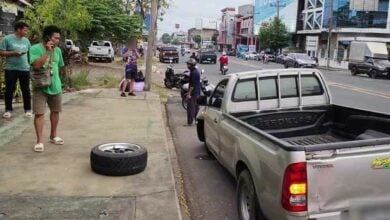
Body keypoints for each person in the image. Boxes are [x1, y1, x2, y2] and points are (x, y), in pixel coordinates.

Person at [29, 25, 65, 152]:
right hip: (40, 86)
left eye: (59, 38)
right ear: (48, 37)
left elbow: (60, 67)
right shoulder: (34, 49)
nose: (57, 41)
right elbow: (37, 65)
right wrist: (48, 51)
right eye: (56, 38)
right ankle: (39, 141)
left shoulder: (58, 51)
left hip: (55, 86)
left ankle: (53, 135)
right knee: (39, 113)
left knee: (55, 111)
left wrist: (59, 82)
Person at [0, 21, 32, 119]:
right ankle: (8, 110)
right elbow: (1, 52)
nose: (26, 32)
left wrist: (30, 64)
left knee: (26, 90)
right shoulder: (7, 39)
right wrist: (13, 53)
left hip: (24, 68)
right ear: (18, 29)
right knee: (10, 89)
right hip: (10, 68)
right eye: (25, 30)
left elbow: (30, 53)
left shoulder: (26, 41)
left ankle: (28, 110)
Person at [185, 58, 201, 126]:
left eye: (188, 64)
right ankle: (196, 121)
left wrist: (188, 94)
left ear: (191, 65)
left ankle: (190, 122)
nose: (187, 65)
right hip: (197, 92)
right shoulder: (194, 71)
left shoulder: (194, 73)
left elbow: (192, 85)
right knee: (196, 107)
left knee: (190, 108)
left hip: (193, 93)